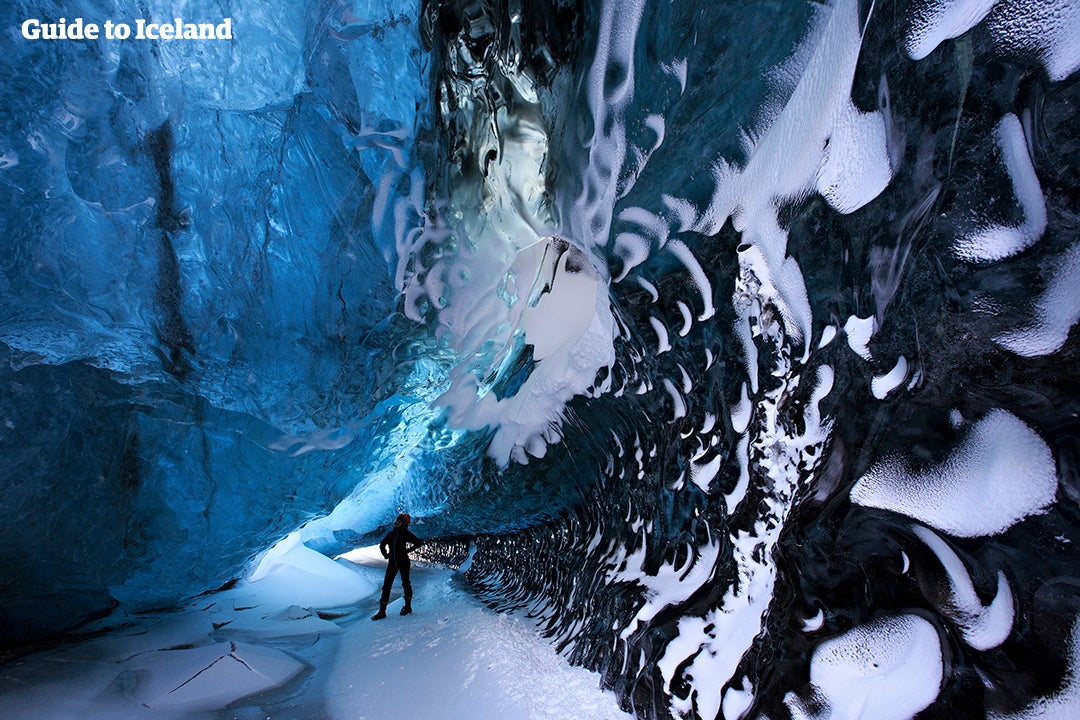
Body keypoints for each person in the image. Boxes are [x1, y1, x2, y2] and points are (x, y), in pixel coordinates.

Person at [372, 513, 423, 620]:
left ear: (404, 523)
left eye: (399, 521)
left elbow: (418, 542)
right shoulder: (391, 534)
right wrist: (385, 554)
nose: (397, 522)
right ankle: (382, 611)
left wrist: (407, 551)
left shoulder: (405, 534)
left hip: (403, 562)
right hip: (392, 563)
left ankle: (407, 607)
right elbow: (382, 544)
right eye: (397, 521)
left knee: (406, 583)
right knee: (387, 585)